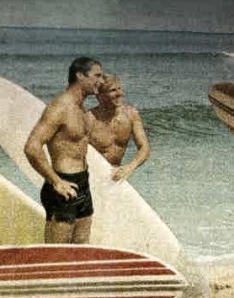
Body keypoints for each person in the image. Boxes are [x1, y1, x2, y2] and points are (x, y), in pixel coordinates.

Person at [24, 57, 104, 244]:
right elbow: (32, 147)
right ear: (80, 76)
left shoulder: (81, 108)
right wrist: (56, 182)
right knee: (57, 255)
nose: (101, 81)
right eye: (97, 76)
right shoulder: (60, 107)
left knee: (81, 248)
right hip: (63, 185)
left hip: (83, 182)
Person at [89, 74, 151, 181]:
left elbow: (144, 148)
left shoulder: (131, 115)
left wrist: (129, 167)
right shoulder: (89, 118)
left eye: (120, 89)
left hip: (116, 175)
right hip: (92, 177)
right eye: (113, 90)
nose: (120, 94)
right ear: (100, 96)